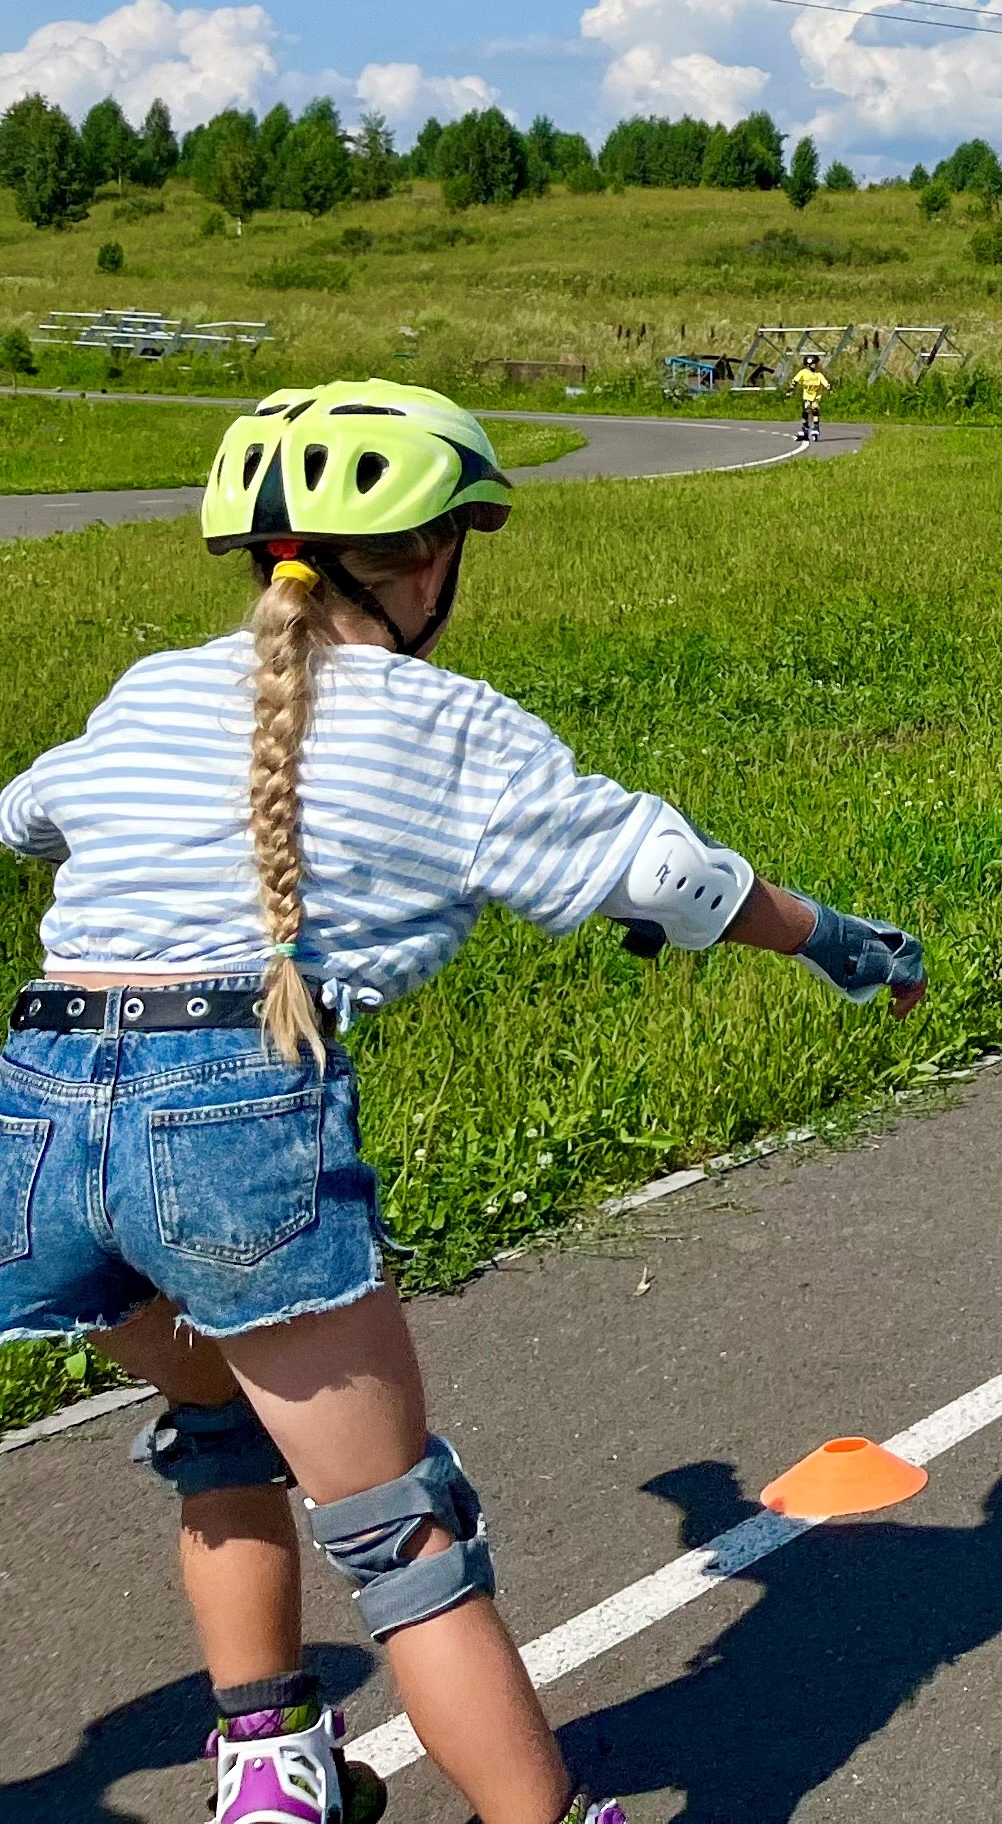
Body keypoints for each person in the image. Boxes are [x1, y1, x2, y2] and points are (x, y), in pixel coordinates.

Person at [0, 382, 927, 1824]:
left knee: (222, 1417)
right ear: (429, 559)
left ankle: (274, 1767)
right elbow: (669, 878)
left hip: (41, 1121)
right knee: (398, 1531)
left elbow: (27, 815)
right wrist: (840, 942)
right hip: (227, 1124)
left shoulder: (152, 686)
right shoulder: (452, 728)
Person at [790, 350, 832, 445]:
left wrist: (829, 388)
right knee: (806, 408)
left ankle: (815, 427)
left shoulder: (818, 375)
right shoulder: (803, 373)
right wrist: (791, 390)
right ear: (808, 364)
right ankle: (805, 428)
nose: (816, 365)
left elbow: (825, 383)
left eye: (816, 363)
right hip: (807, 396)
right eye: (814, 363)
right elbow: (795, 381)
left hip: (816, 396)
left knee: (815, 408)